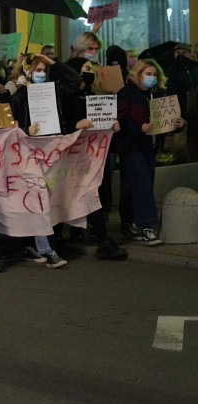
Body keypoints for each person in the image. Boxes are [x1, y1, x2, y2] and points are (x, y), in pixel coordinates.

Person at [10, 53, 82, 268]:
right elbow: (10, 129)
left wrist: (53, 62)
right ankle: (47, 249)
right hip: (29, 154)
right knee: (39, 198)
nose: (41, 74)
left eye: (44, 70)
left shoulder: (54, 91)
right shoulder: (19, 96)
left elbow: (75, 81)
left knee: (45, 200)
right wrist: (25, 129)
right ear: (28, 72)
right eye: (37, 70)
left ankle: (30, 245)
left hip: (52, 152)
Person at [61, 57, 128, 261]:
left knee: (91, 193)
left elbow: (99, 123)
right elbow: (57, 124)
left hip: (85, 157)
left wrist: (111, 126)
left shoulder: (91, 95)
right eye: (86, 68)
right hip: (66, 158)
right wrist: (74, 125)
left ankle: (103, 240)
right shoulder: (63, 96)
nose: (90, 72)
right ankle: (55, 238)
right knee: (62, 195)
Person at [117, 60, 185, 246]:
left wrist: (178, 125)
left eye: (155, 74)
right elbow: (121, 120)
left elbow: (166, 123)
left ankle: (128, 223)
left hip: (151, 147)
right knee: (143, 185)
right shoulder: (127, 93)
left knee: (137, 185)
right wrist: (140, 128)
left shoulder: (159, 95)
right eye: (148, 74)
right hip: (133, 146)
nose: (152, 78)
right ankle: (147, 226)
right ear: (137, 74)